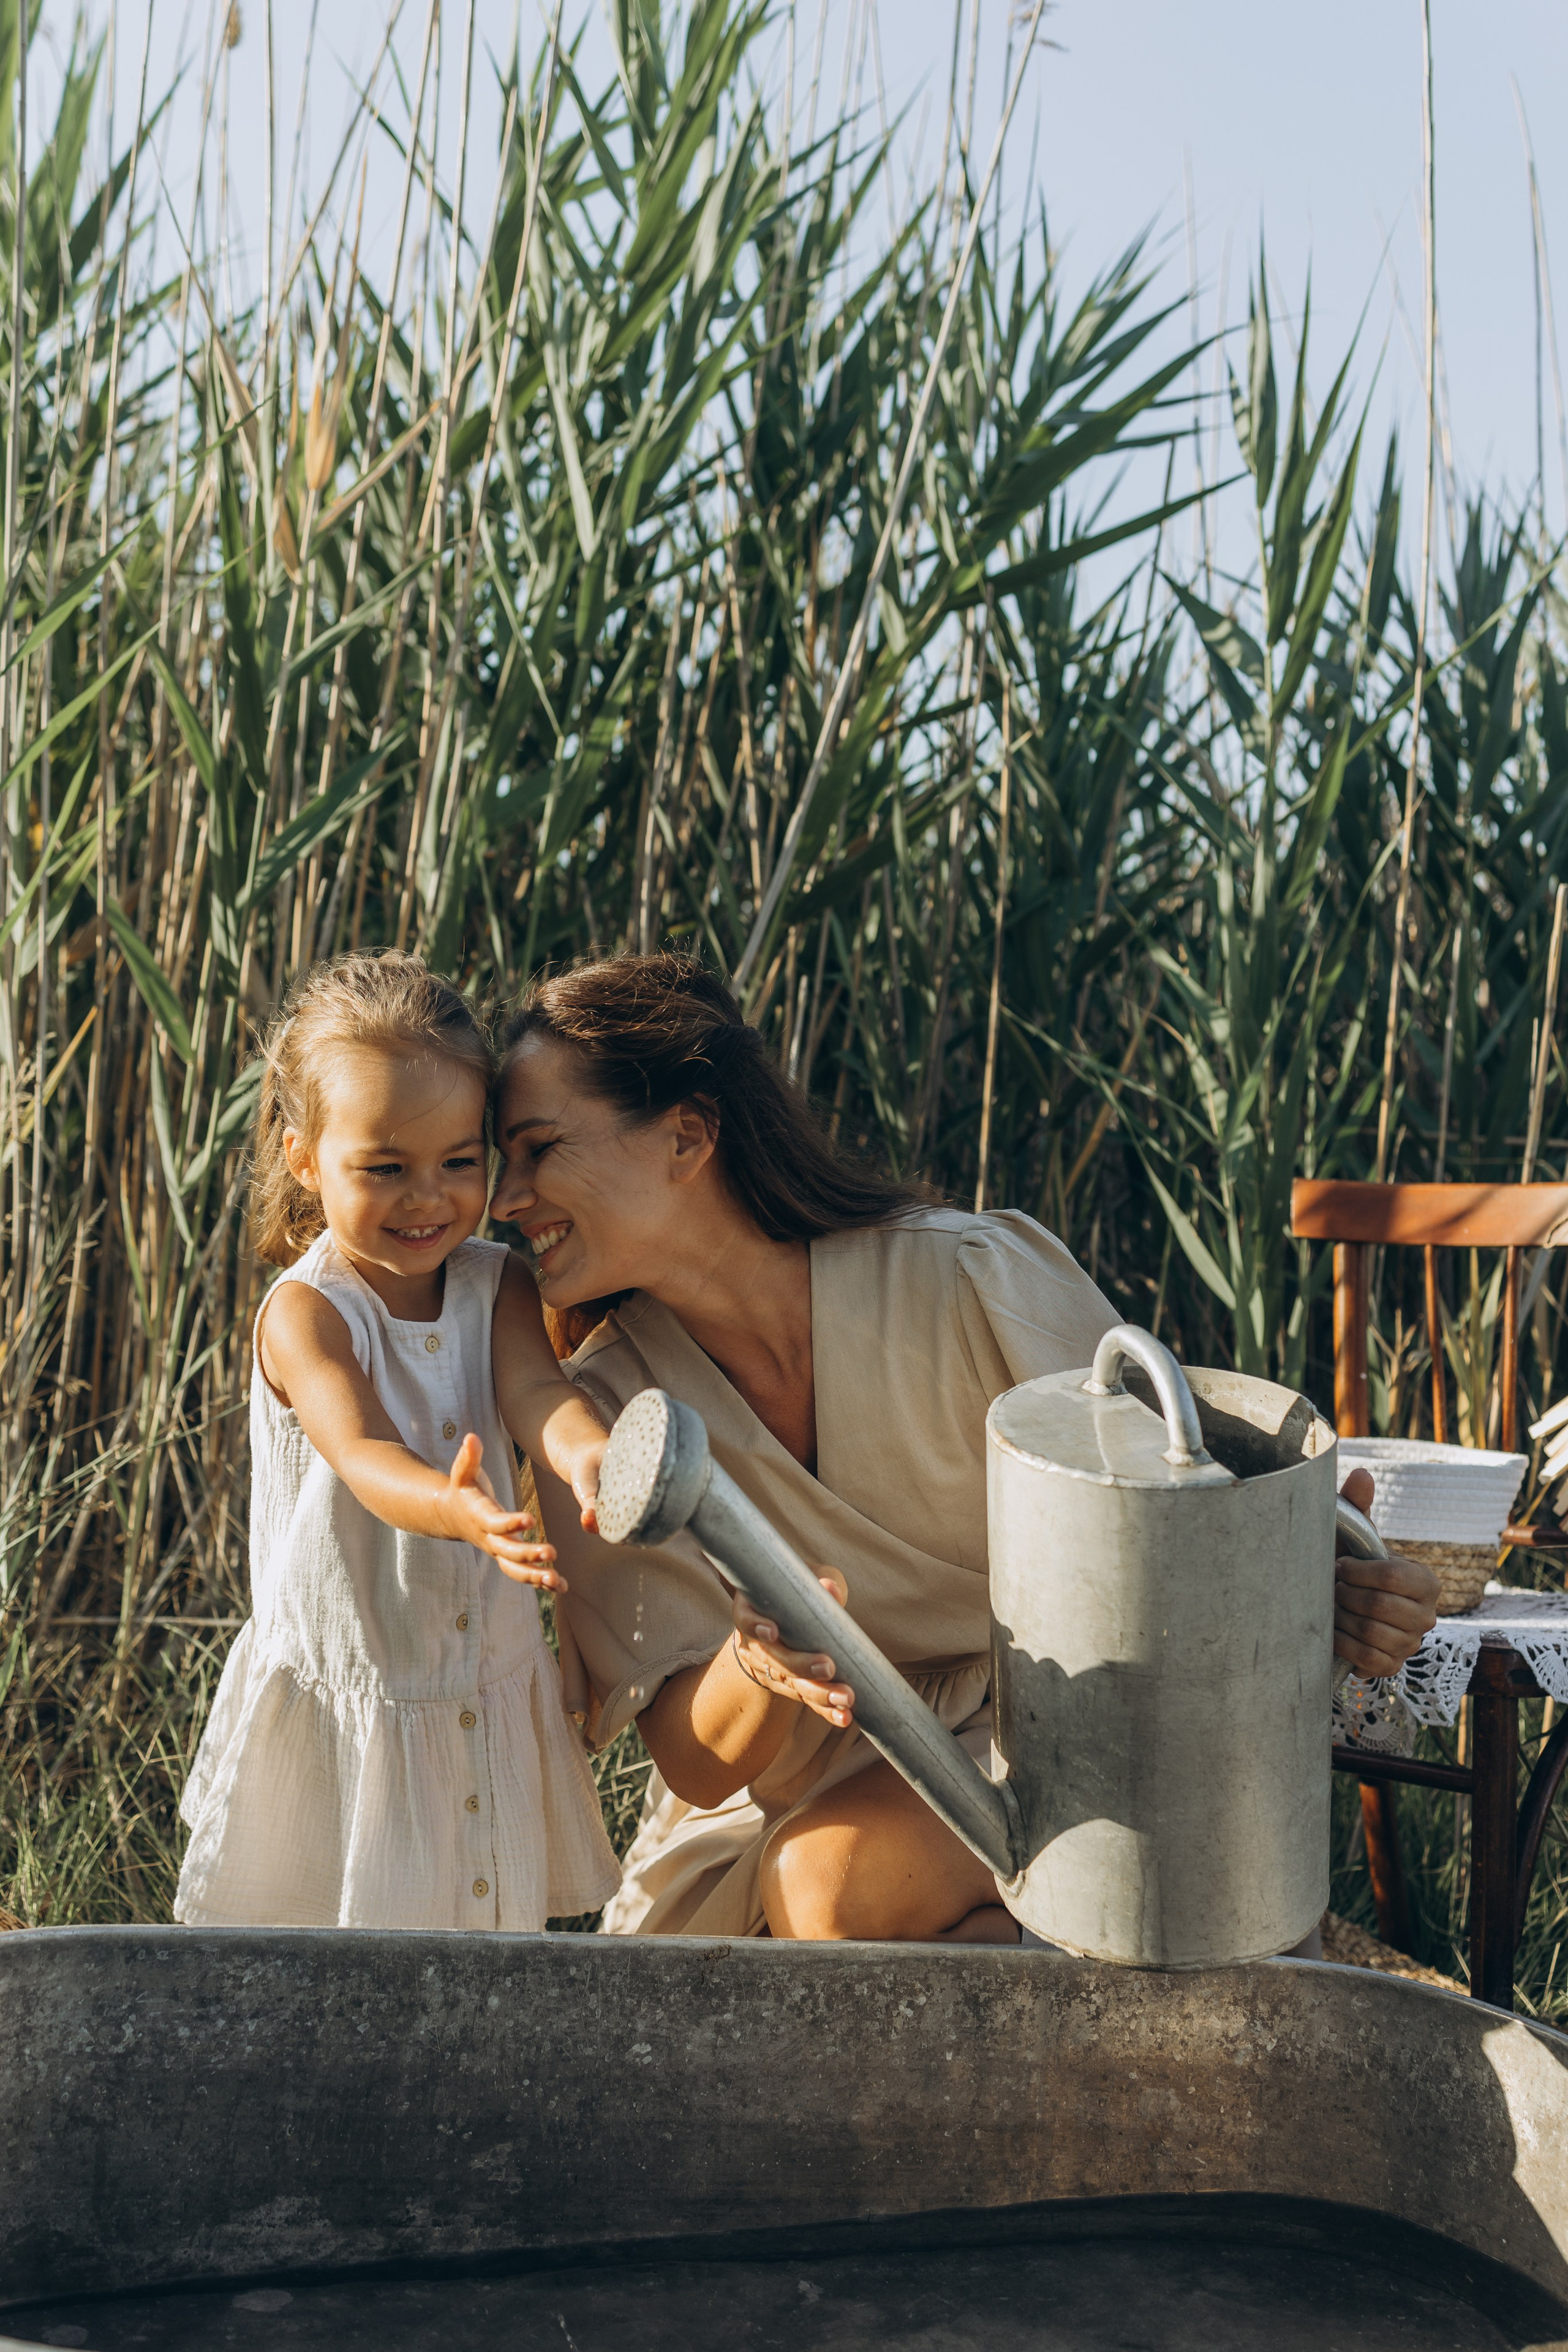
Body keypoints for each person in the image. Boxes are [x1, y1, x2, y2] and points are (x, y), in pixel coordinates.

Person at [491, 952, 1439, 1945]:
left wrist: (1334, 1588)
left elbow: (1183, 1514)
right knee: (805, 1885)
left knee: (824, 1889)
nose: (506, 1199)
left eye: (539, 1149)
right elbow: (693, 1758)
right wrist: (758, 1662)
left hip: (1058, 1735)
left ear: (687, 1135)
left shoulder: (964, 1278)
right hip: (777, 1806)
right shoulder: (599, 1420)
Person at [176, 952, 620, 1934]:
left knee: (486, 1946)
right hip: (360, 1686)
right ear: (303, 1157)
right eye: (384, 1169)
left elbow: (539, 1392)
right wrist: (450, 1504)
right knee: (335, 1962)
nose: (429, 1199)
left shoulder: (495, 1283)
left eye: (460, 1163)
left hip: (480, 1677)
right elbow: (363, 1450)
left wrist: (587, 1451)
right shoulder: (309, 1315)